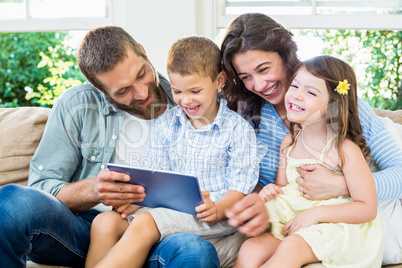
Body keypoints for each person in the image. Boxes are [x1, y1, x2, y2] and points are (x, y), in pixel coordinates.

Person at [0, 26, 220, 268]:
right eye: (123, 91)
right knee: (13, 203)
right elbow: (43, 188)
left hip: (161, 233)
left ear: (143, 52)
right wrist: (95, 189)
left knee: (195, 252)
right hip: (84, 231)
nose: (142, 92)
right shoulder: (76, 105)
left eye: (141, 74)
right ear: (99, 88)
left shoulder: (193, 102)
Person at [221, 13, 402, 265]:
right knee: (250, 250)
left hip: (336, 225)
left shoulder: (343, 107)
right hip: (288, 218)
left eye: (264, 69)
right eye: (246, 77)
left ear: (285, 56)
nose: (259, 84)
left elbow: (400, 173)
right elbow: (261, 183)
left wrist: (341, 185)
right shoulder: (246, 114)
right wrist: (258, 200)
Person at [85, 36, 263, 268]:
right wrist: (136, 201)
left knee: (145, 223)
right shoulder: (168, 123)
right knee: (104, 222)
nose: (186, 100)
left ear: (219, 80)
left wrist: (218, 209)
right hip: (170, 210)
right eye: (177, 91)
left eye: (195, 91)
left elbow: (241, 184)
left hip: (214, 216)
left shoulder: (238, 129)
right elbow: (156, 175)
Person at [234, 55, 384, 267]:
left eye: (311, 92)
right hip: (294, 219)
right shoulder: (289, 141)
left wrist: (316, 213)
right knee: (251, 249)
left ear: (333, 104)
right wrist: (270, 191)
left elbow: (367, 208)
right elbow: (283, 188)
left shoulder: (344, 149)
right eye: (295, 86)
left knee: (292, 247)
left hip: (335, 225)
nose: (296, 95)